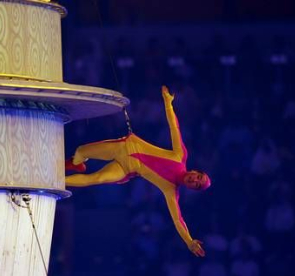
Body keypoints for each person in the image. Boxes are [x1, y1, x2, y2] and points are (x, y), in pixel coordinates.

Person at [66, 86, 211, 257]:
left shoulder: (170, 190)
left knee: (96, 178)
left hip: (126, 169)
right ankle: (76, 164)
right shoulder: (180, 156)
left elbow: (178, 220)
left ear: (191, 189)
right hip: (123, 147)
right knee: (81, 151)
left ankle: (59, 180)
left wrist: (189, 241)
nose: (194, 180)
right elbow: (174, 128)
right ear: (195, 171)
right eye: (198, 177)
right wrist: (168, 103)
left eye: (196, 185)